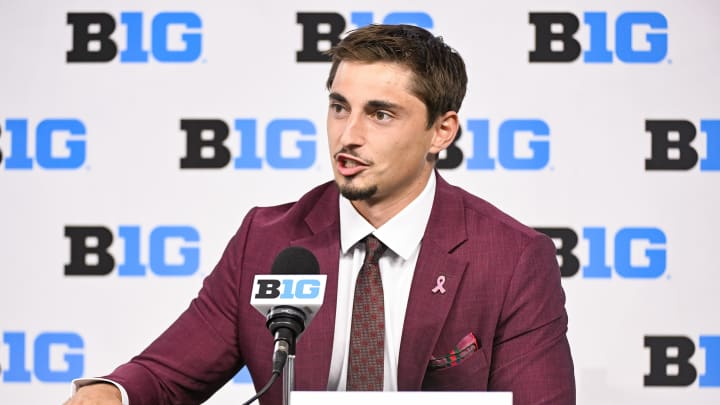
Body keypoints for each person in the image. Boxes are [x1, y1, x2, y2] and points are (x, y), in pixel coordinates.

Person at [64, 24, 575, 405]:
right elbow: (164, 376)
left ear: (441, 131)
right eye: (338, 107)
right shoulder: (266, 240)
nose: (347, 135)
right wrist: (109, 393)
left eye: (380, 113)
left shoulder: (510, 259)